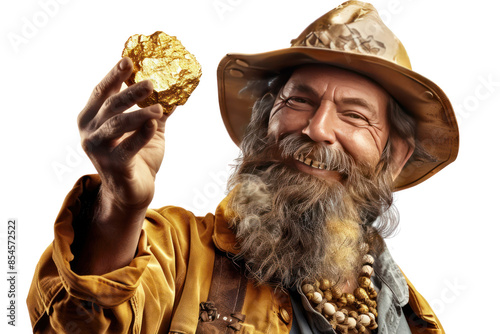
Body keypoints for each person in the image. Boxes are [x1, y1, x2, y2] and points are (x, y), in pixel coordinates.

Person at [27, 1, 458, 333]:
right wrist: (120, 206)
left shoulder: (414, 318)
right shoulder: (175, 254)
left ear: (395, 154)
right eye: (300, 100)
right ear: (265, 118)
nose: (317, 128)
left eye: (354, 115)